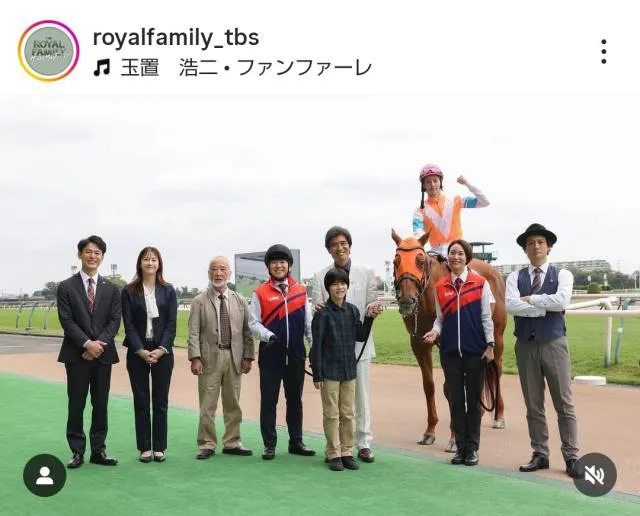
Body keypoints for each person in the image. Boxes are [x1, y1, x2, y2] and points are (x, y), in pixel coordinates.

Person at [505, 223, 582, 479]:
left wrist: (531, 300)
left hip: (554, 344)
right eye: (530, 243)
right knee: (533, 404)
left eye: (540, 242)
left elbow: (562, 301)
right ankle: (540, 453)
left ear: (548, 247)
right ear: (525, 250)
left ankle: (571, 456)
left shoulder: (563, 275)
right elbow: (511, 306)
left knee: (564, 403)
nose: (535, 246)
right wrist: (543, 306)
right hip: (525, 345)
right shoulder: (515, 278)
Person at [423, 239, 494, 467]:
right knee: (456, 402)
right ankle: (460, 449)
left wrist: (490, 345)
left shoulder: (480, 283)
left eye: (460, 253)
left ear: (467, 257)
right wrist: (434, 332)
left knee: (473, 402)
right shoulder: (441, 286)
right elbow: (440, 319)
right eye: (452, 253)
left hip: (476, 352)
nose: (455, 257)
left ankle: (472, 449)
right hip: (450, 352)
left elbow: (486, 317)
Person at [312, 226, 378, 463]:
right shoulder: (320, 275)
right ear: (328, 249)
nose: (339, 248)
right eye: (334, 245)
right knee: (333, 408)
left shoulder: (367, 271)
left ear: (349, 245)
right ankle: (335, 450)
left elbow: (371, 302)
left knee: (359, 399)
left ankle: (363, 443)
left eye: (343, 243)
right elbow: (317, 306)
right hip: (331, 350)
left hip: (359, 345)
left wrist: (372, 311)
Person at [56, 235, 121, 469]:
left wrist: (97, 345)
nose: (93, 256)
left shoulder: (112, 289)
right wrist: (86, 344)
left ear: (102, 257)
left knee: (100, 404)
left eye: (97, 253)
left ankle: (98, 450)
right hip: (76, 355)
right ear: (80, 254)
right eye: (88, 252)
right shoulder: (66, 287)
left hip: (103, 356)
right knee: (76, 404)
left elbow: (114, 321)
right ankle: (77, 451)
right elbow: (67, 320)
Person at [249, 244, 315, 460]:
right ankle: (269, 444)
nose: (278, 265)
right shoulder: (260, 292)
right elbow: (253, 323)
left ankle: (296, 441)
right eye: (274, 262)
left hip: (295, 354)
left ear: (289, 265)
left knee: (295, 400)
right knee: (269, 401)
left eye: (282, 262)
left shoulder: (300, 291)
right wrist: (269, 336)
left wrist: (313, 347)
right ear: (269, 266)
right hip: (271, 354)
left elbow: (308, 324)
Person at [187, 256, 255, 459]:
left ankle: (232, 442)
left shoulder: (240, 300)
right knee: (207, 404)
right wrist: (195, 357)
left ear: (229, 273)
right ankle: (206, 443)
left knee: (233, 402)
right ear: (209, 273)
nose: (218, 273)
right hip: (209, 358)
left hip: (234, 357)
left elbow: (247, 331)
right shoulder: (199, 301)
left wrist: (248, 356)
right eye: (214, 269)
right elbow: (193, 332)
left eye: (222, 269)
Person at [121, 246, 177, 463]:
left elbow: (171, 324)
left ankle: (159, 447)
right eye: (146, 259)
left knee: (161, 400)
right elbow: (128, 325)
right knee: (141, 400)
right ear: (140, 263)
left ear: (159, 263)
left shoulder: (168, 290)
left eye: (154, 259)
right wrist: (140, 350)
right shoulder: (129, 291)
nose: (150, 263)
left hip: (163, 350)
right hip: (138, 350)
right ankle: (145, 447)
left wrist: (162, 349)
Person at [412, 164, 490, 257]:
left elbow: (485, 202)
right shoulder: (419, 211)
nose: (432, 184)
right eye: (428, 182)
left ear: (440, 182)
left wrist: (467, 183)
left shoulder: (456, 200)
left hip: (458, 250)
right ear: (424, 185)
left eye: (435, 180)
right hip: (435, 253)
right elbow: (418, 235)